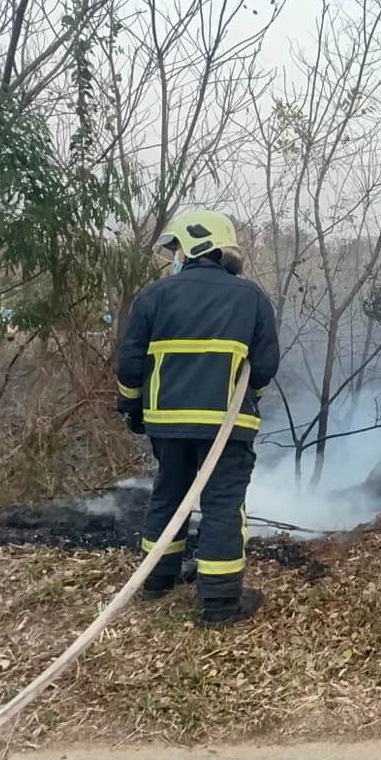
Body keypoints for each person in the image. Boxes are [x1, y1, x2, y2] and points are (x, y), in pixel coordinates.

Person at [116, 208, 279, 625]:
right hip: (227, 427)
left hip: (168, 425)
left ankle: (156, 581)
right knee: (223, 505)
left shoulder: (154, 296)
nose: (174, 256)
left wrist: (133, 409)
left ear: (190, 248)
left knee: (169, 494)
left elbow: (130, 364)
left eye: (175, 248)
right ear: (223, 250)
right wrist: (247, 396)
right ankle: (221, 602)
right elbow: (264, 366)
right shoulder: (251, 298)